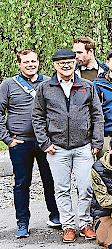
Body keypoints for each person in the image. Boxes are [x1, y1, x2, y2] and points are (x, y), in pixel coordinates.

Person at [32, 49, 104, 243]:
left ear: (75, 63)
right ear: (54, 65)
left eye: (69, 61)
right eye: (61, 62)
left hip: (83, 147)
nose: (66, 65)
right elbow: (37, 117)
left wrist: (97, 142)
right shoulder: (45, 88)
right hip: (57, 147)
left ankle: (86, 223)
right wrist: (45, 143)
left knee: (86, 186)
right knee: (62, 188)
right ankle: (68, 226)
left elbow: (97, 115)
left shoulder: (87, 86)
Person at [0, 49, 59, 238]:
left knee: (50, 181)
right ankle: (22, 223)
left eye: (34, 61)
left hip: (45, 142)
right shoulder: (8, 85)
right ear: (19, 64)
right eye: (26, 62)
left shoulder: (49, 82)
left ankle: (55, 215)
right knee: (21, 183)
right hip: (20, 142)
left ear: (38, 62)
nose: (31, 64)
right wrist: (7, 139)